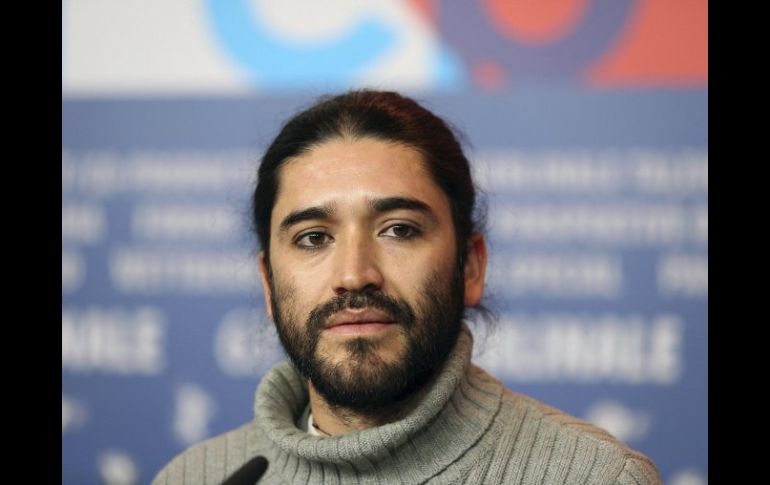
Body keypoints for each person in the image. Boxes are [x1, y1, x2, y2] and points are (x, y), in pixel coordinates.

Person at [153, 90, 662, 484]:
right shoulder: (197, 477)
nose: (354, 274)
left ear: (470, 267)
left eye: (398, 229)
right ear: (268, 283)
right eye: (313, 238)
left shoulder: (593, 476)